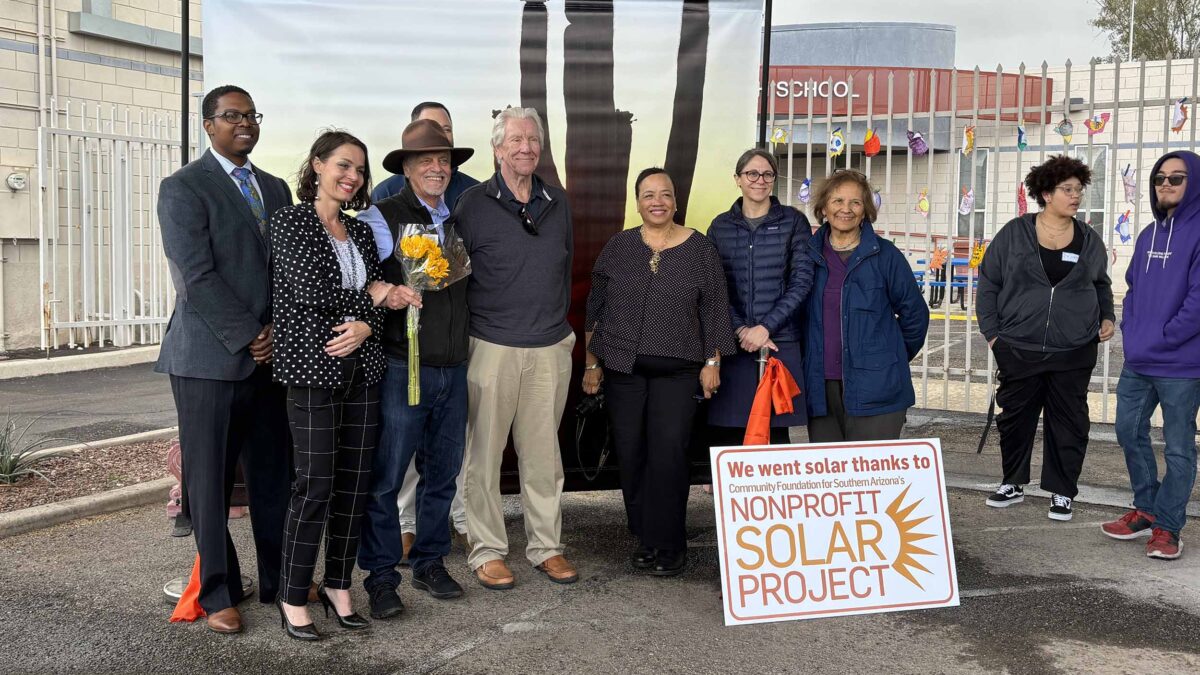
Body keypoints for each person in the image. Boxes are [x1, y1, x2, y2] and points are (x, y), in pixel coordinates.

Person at [156, 84, 293, 634]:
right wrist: (248, 334)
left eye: (251, 115)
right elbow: (195, 276)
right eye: (231, 116)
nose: (244, 124)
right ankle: (217, 593)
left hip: (271, 359)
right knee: (209, 483)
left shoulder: (276, 188)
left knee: (273, 477)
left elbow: (289, 270)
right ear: (208, 125)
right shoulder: (184, 187)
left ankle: (282, 582)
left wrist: (275, 332)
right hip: (208, 359)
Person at [583, 167, 735, 576]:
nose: (657, 201)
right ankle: (646, 537)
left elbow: (715, 309)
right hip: (622, 370)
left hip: (679, 371)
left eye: (665, 194)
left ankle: (670, 543)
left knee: (668, 454)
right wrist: (591, 364)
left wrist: (712, 361)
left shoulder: (700, 249)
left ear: (675, 200)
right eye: (648, 194)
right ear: (638, 202)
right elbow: (596, 307)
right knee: (631, 454)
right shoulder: (619, 247)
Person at [270, 130, 392, 640]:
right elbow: (310, 291)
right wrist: (373, 301)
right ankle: (293, 594)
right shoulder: (290, 222)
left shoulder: (361, 232)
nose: (352, 177)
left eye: (360, 170)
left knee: (354, 483)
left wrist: (368, 323)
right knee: (315, 485)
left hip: (363, 371)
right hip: (311, 370)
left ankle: (340, 585)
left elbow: (380, 303)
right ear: (317, 165)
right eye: (343, 165)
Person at [355, 119, 475, 616]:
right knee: (386, 477)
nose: (436, 167)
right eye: (425, 159)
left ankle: (429, 561)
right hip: (405, 367)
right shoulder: (380, 216)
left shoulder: (459, 217)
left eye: (443, 159)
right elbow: (354, 279)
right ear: (405, 167)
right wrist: (382, 292)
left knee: (442, 474)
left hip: (453, 367)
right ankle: (381, 577)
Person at [455, 107, 577, 590]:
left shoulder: (557, 202)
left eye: (533, 139)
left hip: (549, 347)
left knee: (544, 455)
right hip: (490, 346)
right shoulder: (471, 203)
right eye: (516, 140)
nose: (526, 147)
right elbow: (456, 275)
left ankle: (547, 546)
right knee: (482, 456)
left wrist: (560, 331)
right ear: (497, 148)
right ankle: (486, 550)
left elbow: (562, 270)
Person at [977, 155, 1115, 521]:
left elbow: (1101, 283)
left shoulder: (1088, 238)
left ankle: (1062, 491)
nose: (1076, 196)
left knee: (1069, 421)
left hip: (1073, 349)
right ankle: (1012, 481)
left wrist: (1107, 315)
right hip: (1018, 347)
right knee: (1016, 418)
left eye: (1078, 190)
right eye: (1067, 189)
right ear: (1045, 193)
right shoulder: (1014, 233)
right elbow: (989, 283)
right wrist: (993, 336)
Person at [1102, 150, 1200, 559]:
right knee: (1128, 432)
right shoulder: (1147, 234)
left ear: (1193, 183)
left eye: (1176, 178)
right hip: (1140, 361)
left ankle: (1168, 527)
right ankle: (1146, 507)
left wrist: (1162, 337)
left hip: (1181, 365)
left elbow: (1197, 302)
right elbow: (1134, 286)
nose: (1166, 184)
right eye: (1160, 177)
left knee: (1178, 448)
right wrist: (1134, 330)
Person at [801, 169, 929, 443]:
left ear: (865, 210)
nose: (845, 209)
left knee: (874, 478)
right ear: (823, 207)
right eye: (837, 201)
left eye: (855, 202)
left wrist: (888, 357)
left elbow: (915, 315)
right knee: (830, 476)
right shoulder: (807, 255)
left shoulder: (885, 256)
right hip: (820, 389)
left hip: (877, 389)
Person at [707, 149, 813, 447]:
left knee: (776, 435)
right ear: (738, 180)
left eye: (767, 174)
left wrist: (765, 327)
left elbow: (802, 282)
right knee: (730, 432)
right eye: (751, 173)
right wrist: (741, 329)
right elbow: (713, 287)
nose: (759, 180)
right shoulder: (720, 226)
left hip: (780, 342)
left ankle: (775, 495)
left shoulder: (794, 222)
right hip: (734, 345)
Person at [372, 101, 480, 207]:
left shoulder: (475, 193)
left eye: (446, 129)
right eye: (429, 127)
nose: (438, 134)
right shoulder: (384, 194)